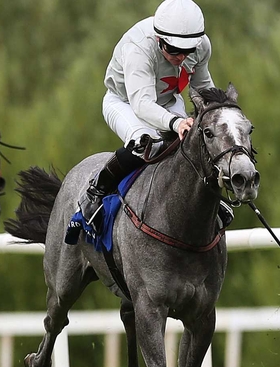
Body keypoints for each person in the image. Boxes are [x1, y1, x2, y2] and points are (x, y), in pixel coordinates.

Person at [79, 0, 233, 232]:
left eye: (187, 50)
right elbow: (141, 104)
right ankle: (97, 190)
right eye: (173, 50)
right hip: (125, 102)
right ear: (159, 39)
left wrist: (220, 115)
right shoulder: (139, 47)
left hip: (168, 102)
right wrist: (176, 122)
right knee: (147, 143)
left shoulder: (201, 46)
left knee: (194, 143)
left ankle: (210, 199)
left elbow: (202, 87)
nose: (181, 57)